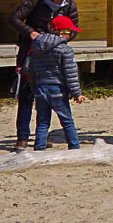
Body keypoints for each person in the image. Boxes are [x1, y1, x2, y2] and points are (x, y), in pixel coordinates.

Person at [8, 0, 80, 150]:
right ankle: (22, 137)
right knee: (27, 94)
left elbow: (73, 29)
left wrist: (58, 43)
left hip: (53, 55)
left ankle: (41, 137)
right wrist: (31, 33)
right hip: (30, 51)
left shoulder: (69, 6)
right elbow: (14, 18)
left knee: (47, 97)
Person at [26, 15, 87, 150]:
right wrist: (77, 93)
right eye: (69, 32)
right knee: (67, 121)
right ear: (61, 33)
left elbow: (31, 72)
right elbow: (70, 73)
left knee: (42, 122)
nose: (71, 35)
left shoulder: (36, 48)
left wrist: (34, 88)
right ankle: (74, 147)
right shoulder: (65, 49)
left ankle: (39, 148)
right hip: (57, 89)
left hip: (41, 88)